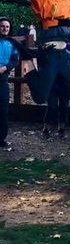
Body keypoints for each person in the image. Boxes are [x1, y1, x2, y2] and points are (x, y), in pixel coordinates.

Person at [0, 17, 20, 149]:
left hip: (2, 78)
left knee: (3, 109)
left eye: (7, 27)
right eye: (2, 26)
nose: (5, 29)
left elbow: (15, 60)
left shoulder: (11, 43)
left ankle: (1, 138)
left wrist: (5, 68)